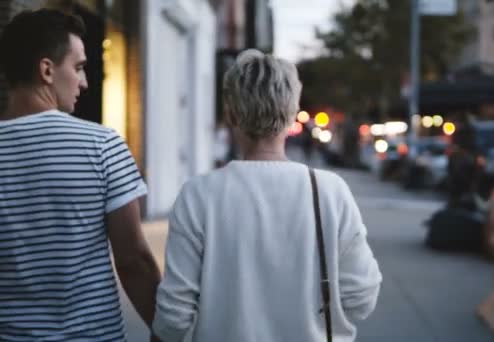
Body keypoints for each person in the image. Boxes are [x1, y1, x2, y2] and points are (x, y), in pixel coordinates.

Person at [152, 49, 382, 342]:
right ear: (291, 114)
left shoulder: (198, 195)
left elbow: (174, 317)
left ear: (231, 114)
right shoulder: (330, 192)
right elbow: (361, 299)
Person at [0, 9, 161, 341]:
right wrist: (168, 331)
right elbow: (133, 261)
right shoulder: (102, 145)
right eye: (78, 67)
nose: (85, 82)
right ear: (47, 70)